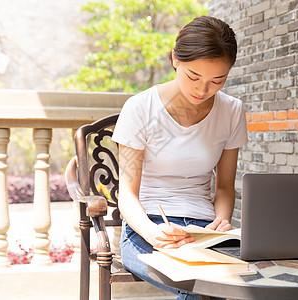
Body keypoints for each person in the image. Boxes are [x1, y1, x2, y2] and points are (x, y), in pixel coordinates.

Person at [111, 15, 248, 300]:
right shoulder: (140, 108)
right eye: (193, 76)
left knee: (248, 281)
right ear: (175, 59)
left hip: (206, 231)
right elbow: (127, 195)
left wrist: (222, 221)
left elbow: (224, 187)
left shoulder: (232, 111)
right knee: (200, 286)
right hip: (147, 227)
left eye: (217, 80)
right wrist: (153, 233)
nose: (202, 90)